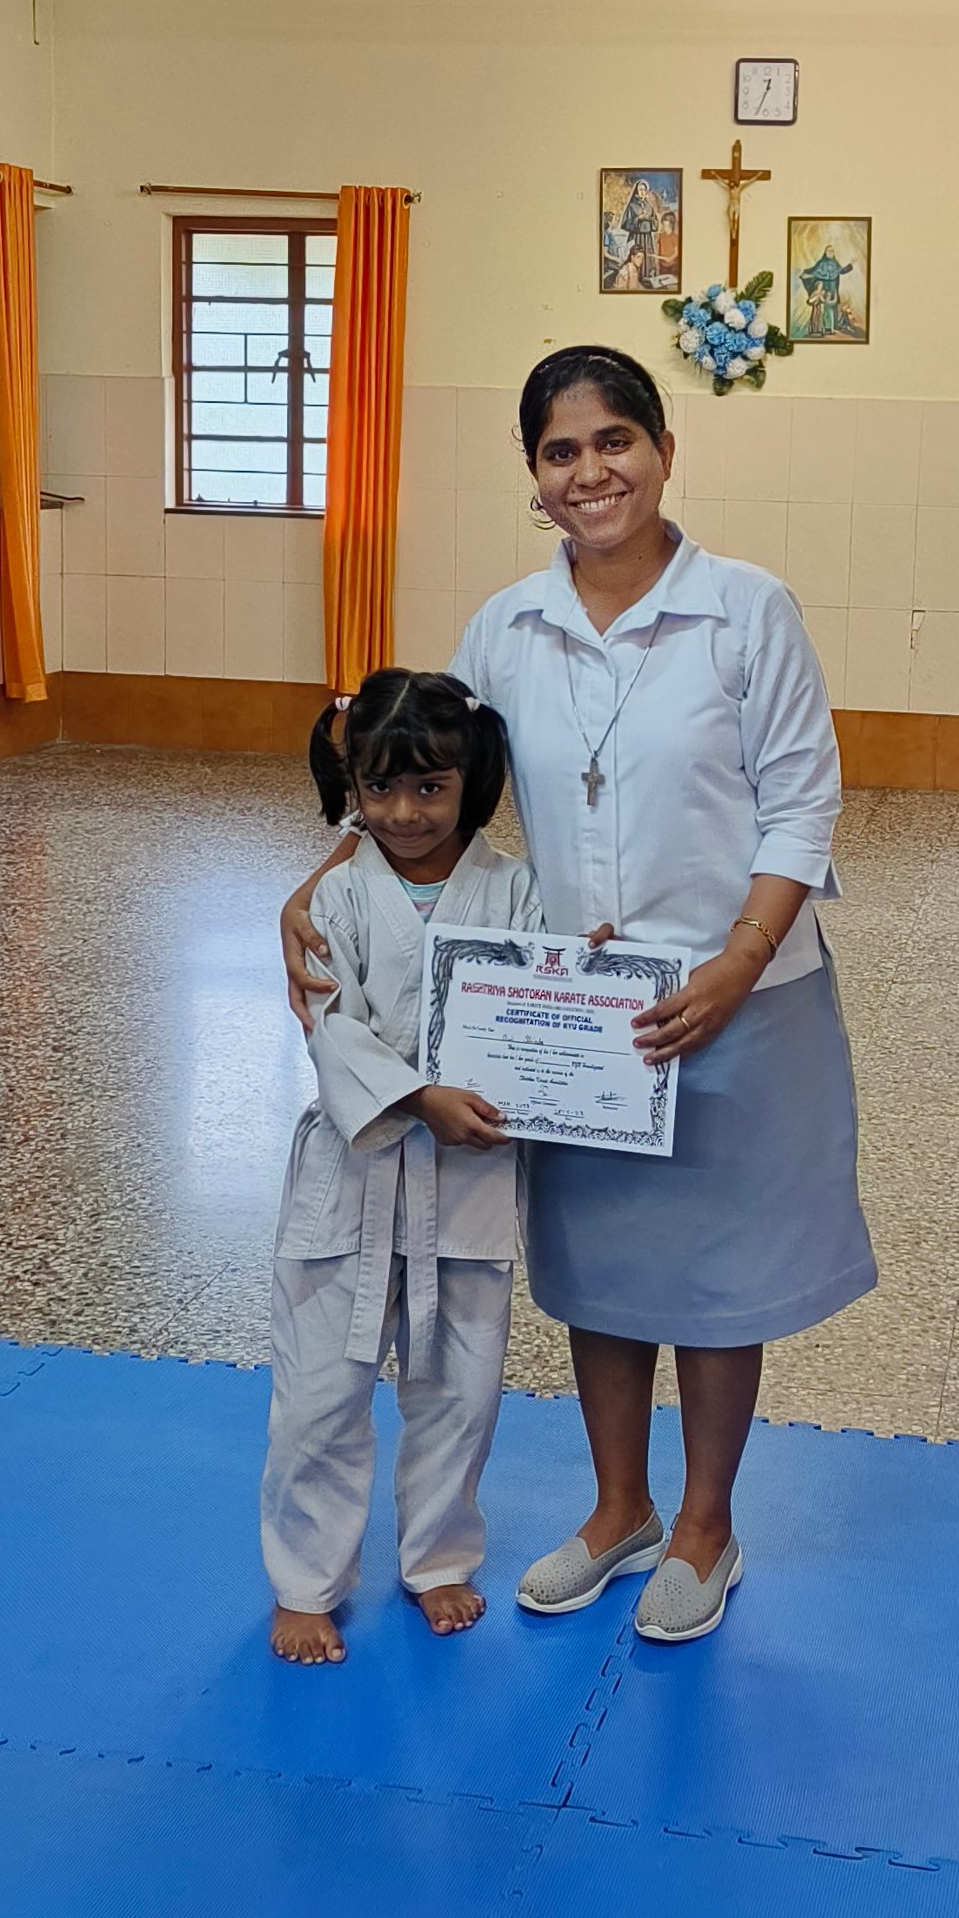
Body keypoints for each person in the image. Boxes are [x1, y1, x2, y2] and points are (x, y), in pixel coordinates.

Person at [282, 342, 876, 1646]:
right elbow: (419, 782)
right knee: (601, 1271)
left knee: (719, 1276)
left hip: (737, 994)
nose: (590, 471)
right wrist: (314, 885)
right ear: (534, 473)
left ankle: (706, 1527)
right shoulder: (505, 627)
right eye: (561, 451)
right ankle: (621, 1511)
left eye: (615, 440)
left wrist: (735, 961)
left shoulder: (747, 610)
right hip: (572, 1012)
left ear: (662, 449)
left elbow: (801, 804)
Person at [263, 667, 540, 1665]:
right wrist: (418, 1097)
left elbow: (543, 1010)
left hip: (469, 1177)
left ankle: (438, 1557)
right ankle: (306, 1581)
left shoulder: (516, 889)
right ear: (351, 785)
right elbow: (326, 1025)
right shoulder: (335, 896)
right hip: (353, 1172)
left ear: (474, 779)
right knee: (317, 1397)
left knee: (461, 1393)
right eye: (379, 787)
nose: (404, 812)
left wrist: (581, 984)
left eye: (430, 787)